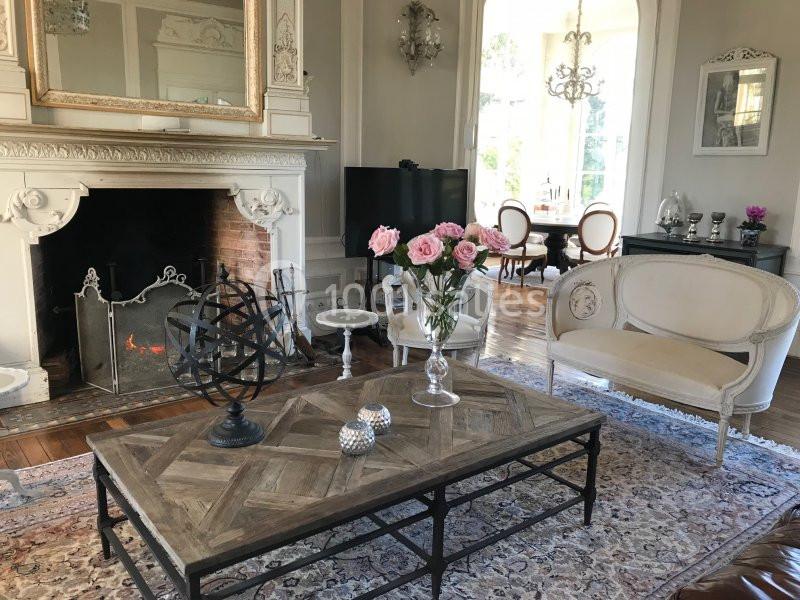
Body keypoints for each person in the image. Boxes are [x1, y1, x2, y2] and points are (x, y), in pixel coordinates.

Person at [713, 72, 740, 147]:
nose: (735, 84)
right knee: (730, 127)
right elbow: (715, 110)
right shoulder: (721, 92)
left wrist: (736, 109)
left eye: (735, 82)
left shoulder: (736, 91)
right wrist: (729, 112)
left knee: (737, 125)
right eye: (733, 82)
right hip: (723, 117)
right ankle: (728, 146)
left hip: (732, 116)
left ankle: (735, 146)